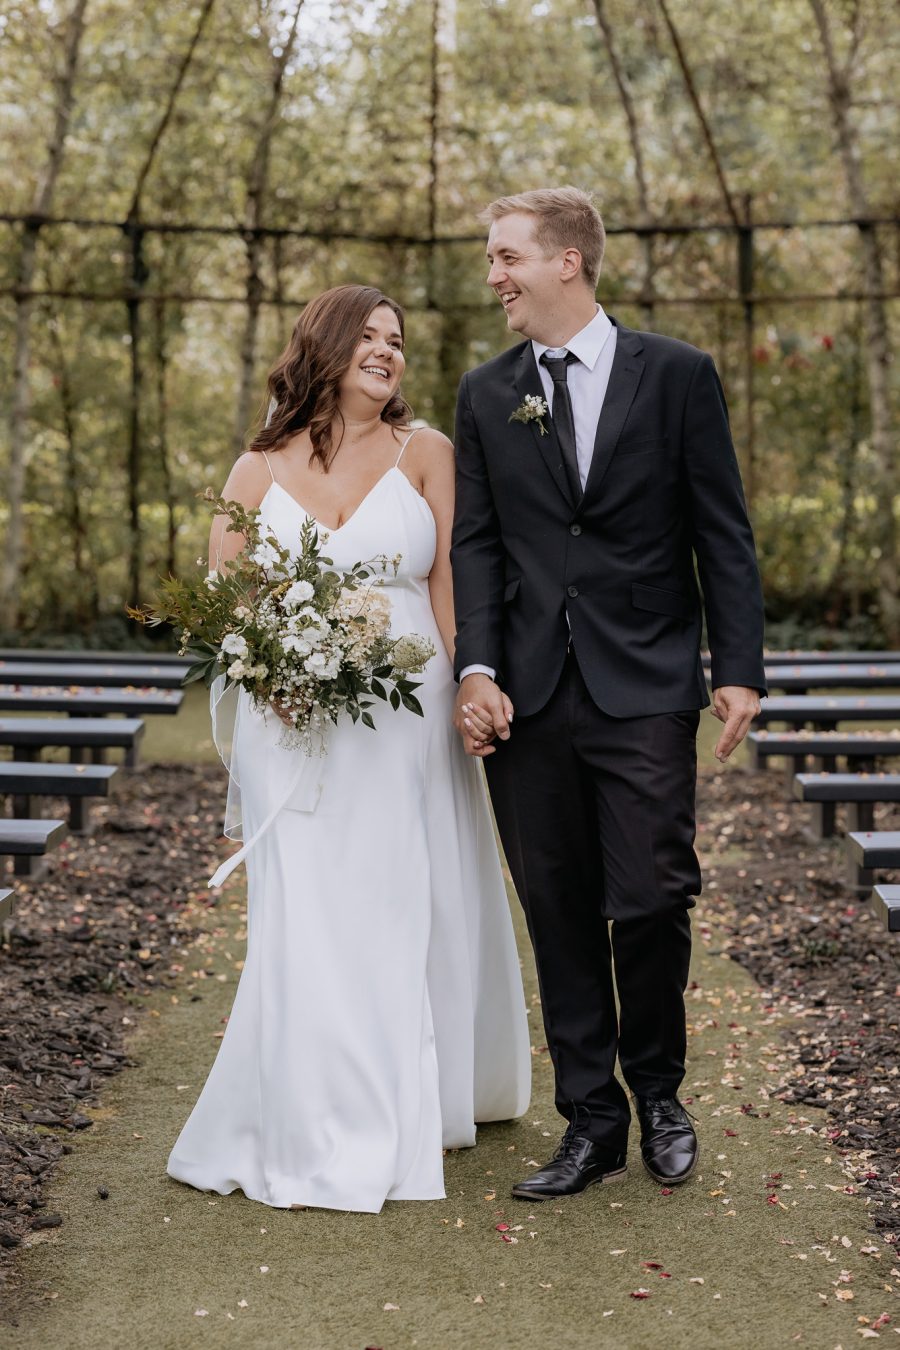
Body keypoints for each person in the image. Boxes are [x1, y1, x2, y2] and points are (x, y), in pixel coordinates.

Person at [167, 284, 531, 1214]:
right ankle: (317, 1100)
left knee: (406, 892)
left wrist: (475, 683)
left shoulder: (429, 455)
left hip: (407, 716)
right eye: (368, 336)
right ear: (323, 347)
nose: (387, 352)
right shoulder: (255, 469)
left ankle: (428, 1084)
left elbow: (452, 586)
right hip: (287, 724)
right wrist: (271, 674)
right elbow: (224, 609)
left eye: (397, 340)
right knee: (313, 909)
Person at [450, 187, 766, 1201]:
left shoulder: (676, 375)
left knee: (652, 893)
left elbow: (721, 529)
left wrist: (740, 668)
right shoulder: (487, 391)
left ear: (566, 263)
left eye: (507, 257)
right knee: (558, 906)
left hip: (647, 682)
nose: (494, 275)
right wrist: (480, 668)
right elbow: (480, 547)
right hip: (531, 693)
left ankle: (661, 1094)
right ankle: (591, 1121)